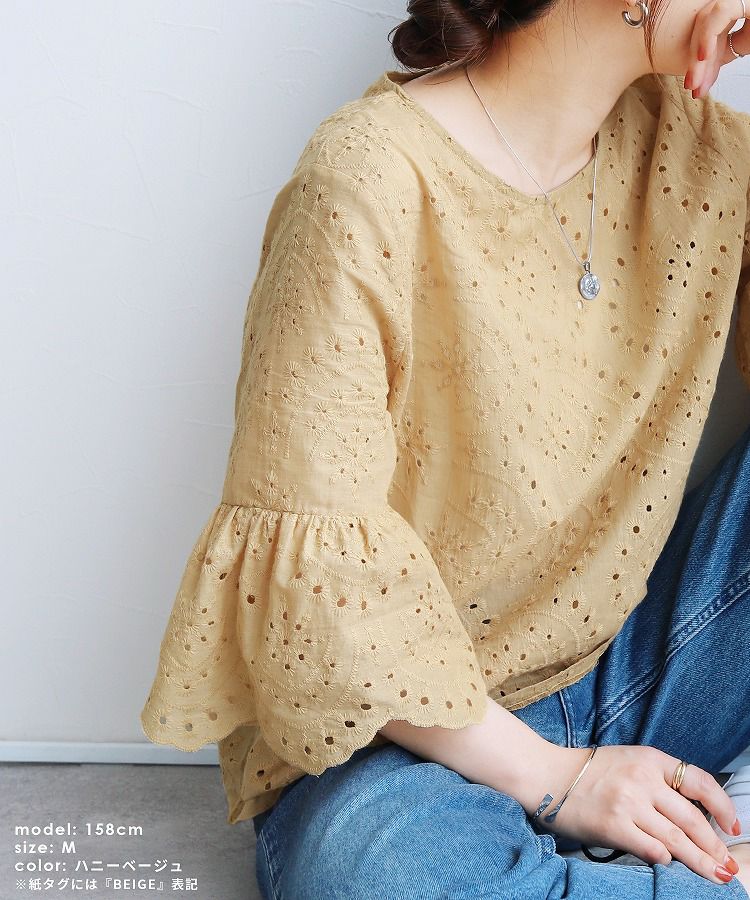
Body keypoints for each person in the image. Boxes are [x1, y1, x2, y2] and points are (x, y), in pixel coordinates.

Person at [138, 0, 750, 896]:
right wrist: (559, 778)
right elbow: (321, 610)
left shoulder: (703, 154)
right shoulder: (366, 179)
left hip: (629, 670)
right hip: (401, 737)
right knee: (384, 878)